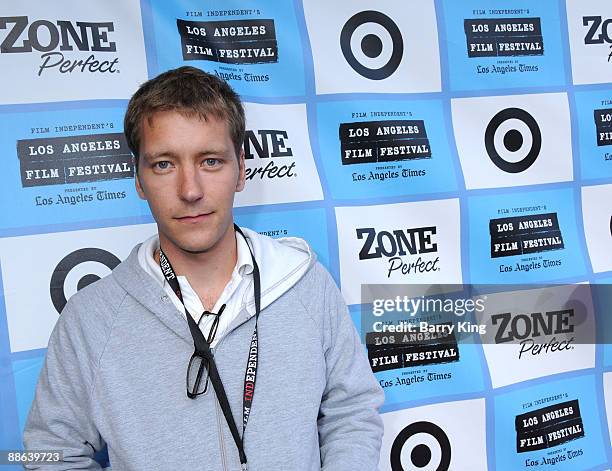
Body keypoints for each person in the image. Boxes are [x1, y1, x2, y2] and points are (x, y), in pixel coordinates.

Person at [23, 66, 384, 470]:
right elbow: (49, 452)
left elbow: (352, 411)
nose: (190, 190)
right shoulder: (91, 319)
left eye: (210, 161)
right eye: (164, 164)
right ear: (138, 180)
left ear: (241, 170)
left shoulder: (306, 284)